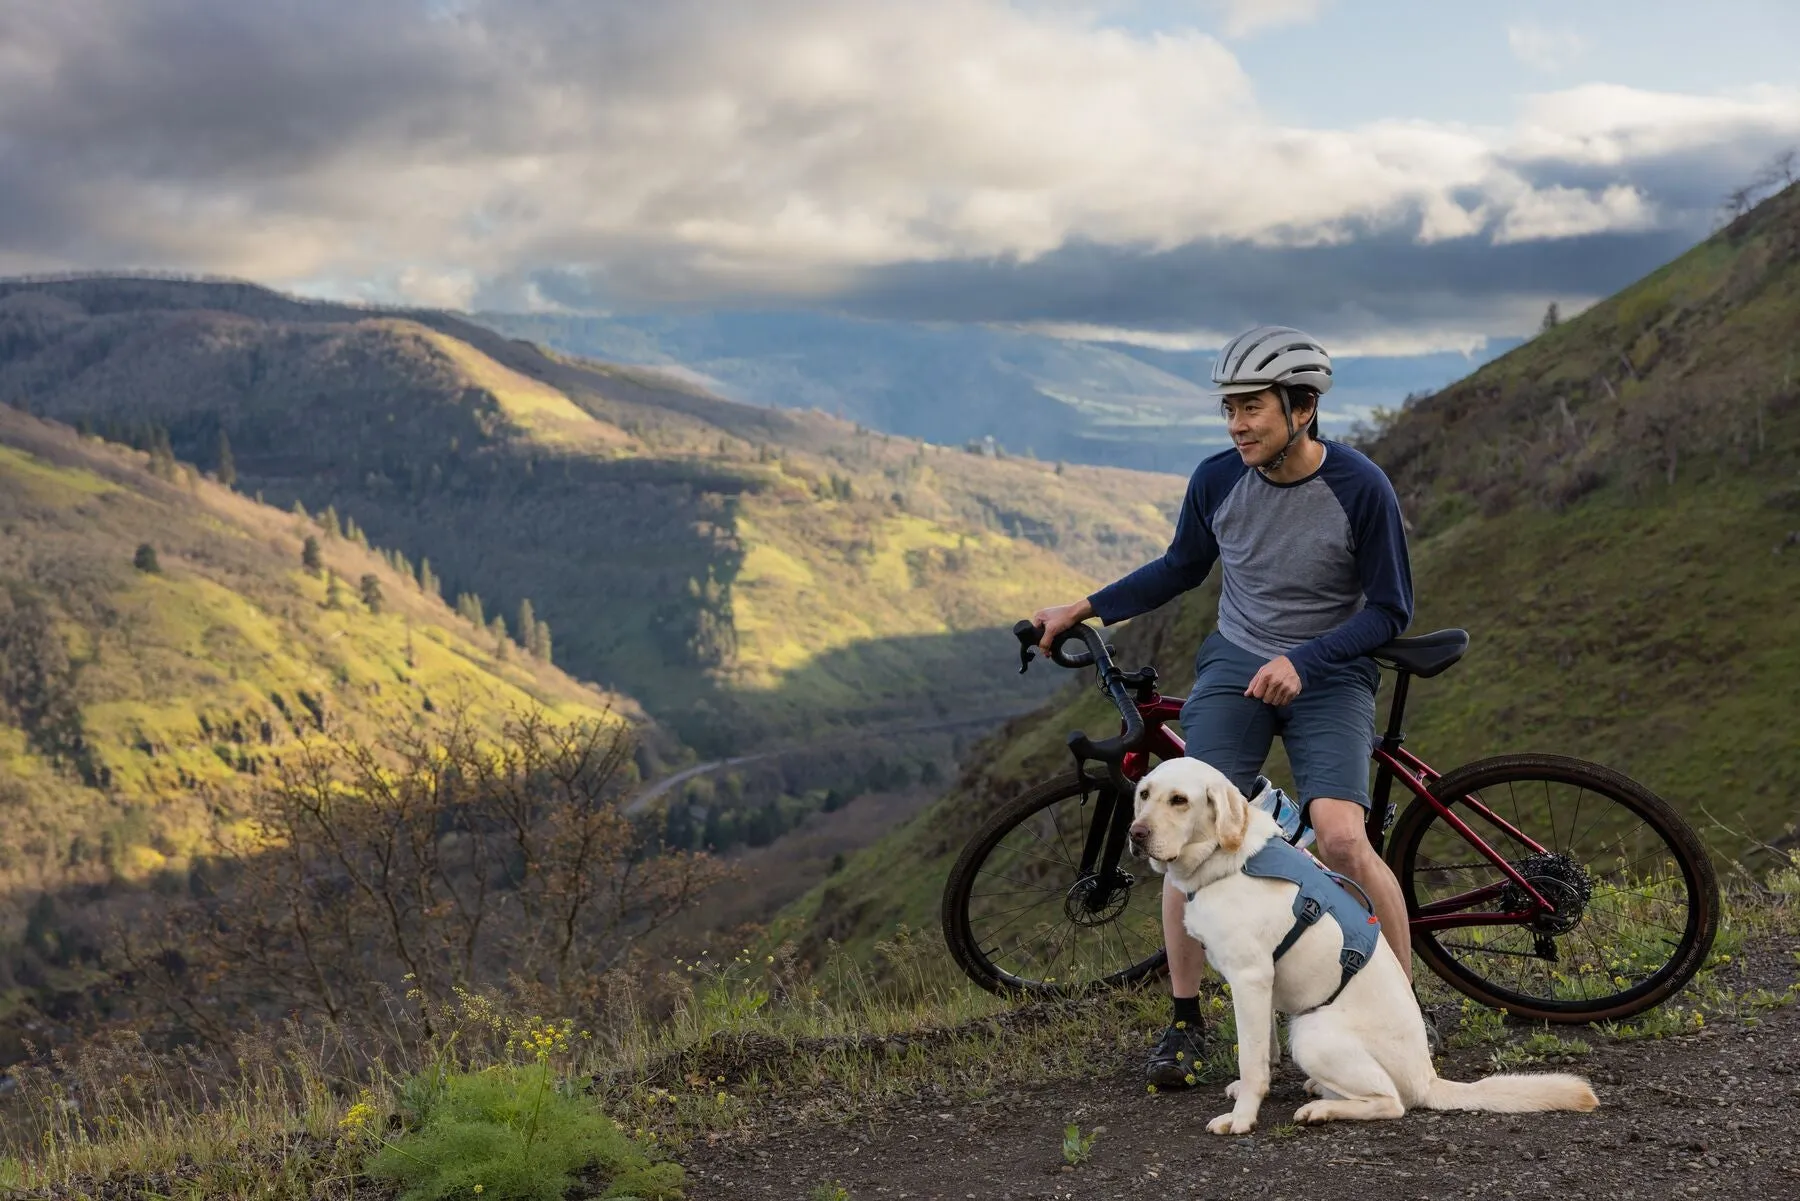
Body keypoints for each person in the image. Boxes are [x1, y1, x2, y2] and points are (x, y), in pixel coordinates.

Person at [1030, 324, 1421, 1090]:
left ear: (1302, 407)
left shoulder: (1360, 487)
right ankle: (1184, 1023)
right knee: (1181, 830)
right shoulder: (1217, 480)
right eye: (1230, 409)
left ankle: (1402, 1005)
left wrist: (1304, 660)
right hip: (1237, 662)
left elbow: (1390, 611)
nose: (1238, 424)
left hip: (1331, 669)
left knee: (1341, 839)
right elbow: (1180, 567)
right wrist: (1080, 607)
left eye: (1253, 409)